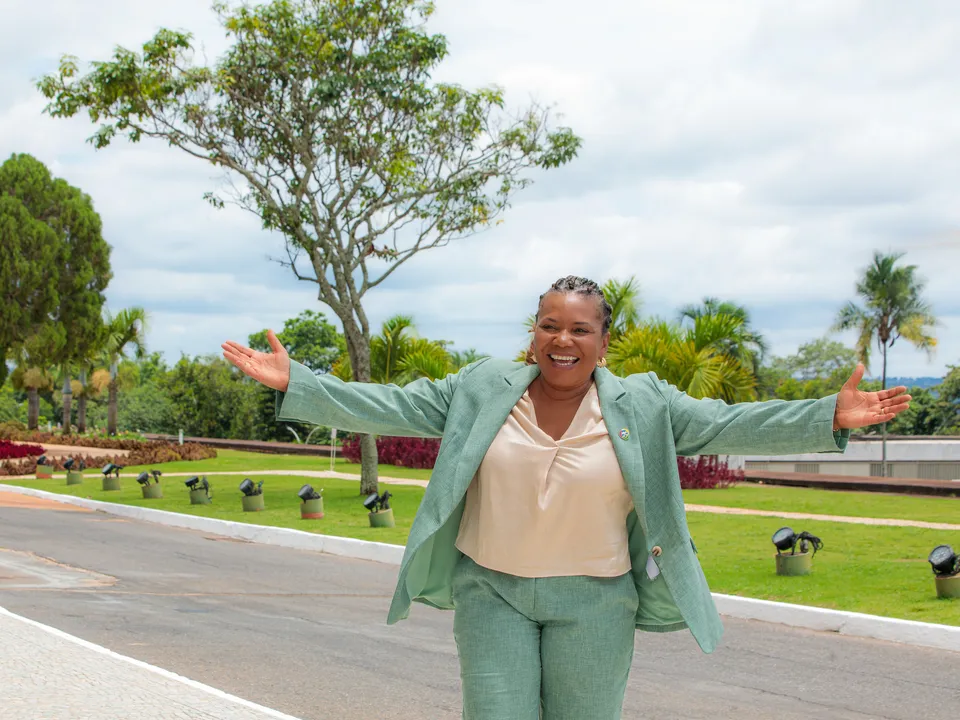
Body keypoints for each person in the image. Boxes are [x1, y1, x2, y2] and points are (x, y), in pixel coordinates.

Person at [222, 275, 910, 720]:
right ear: (534, 335)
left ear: (603, 343)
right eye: (551, 325)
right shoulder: (483, 388)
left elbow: (726, 421)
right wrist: (299, 384)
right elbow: (393, 405)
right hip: (492, 592)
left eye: (580, 328)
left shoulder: (642, 403)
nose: (563, 339)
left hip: (596, 600)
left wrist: (828, 416)